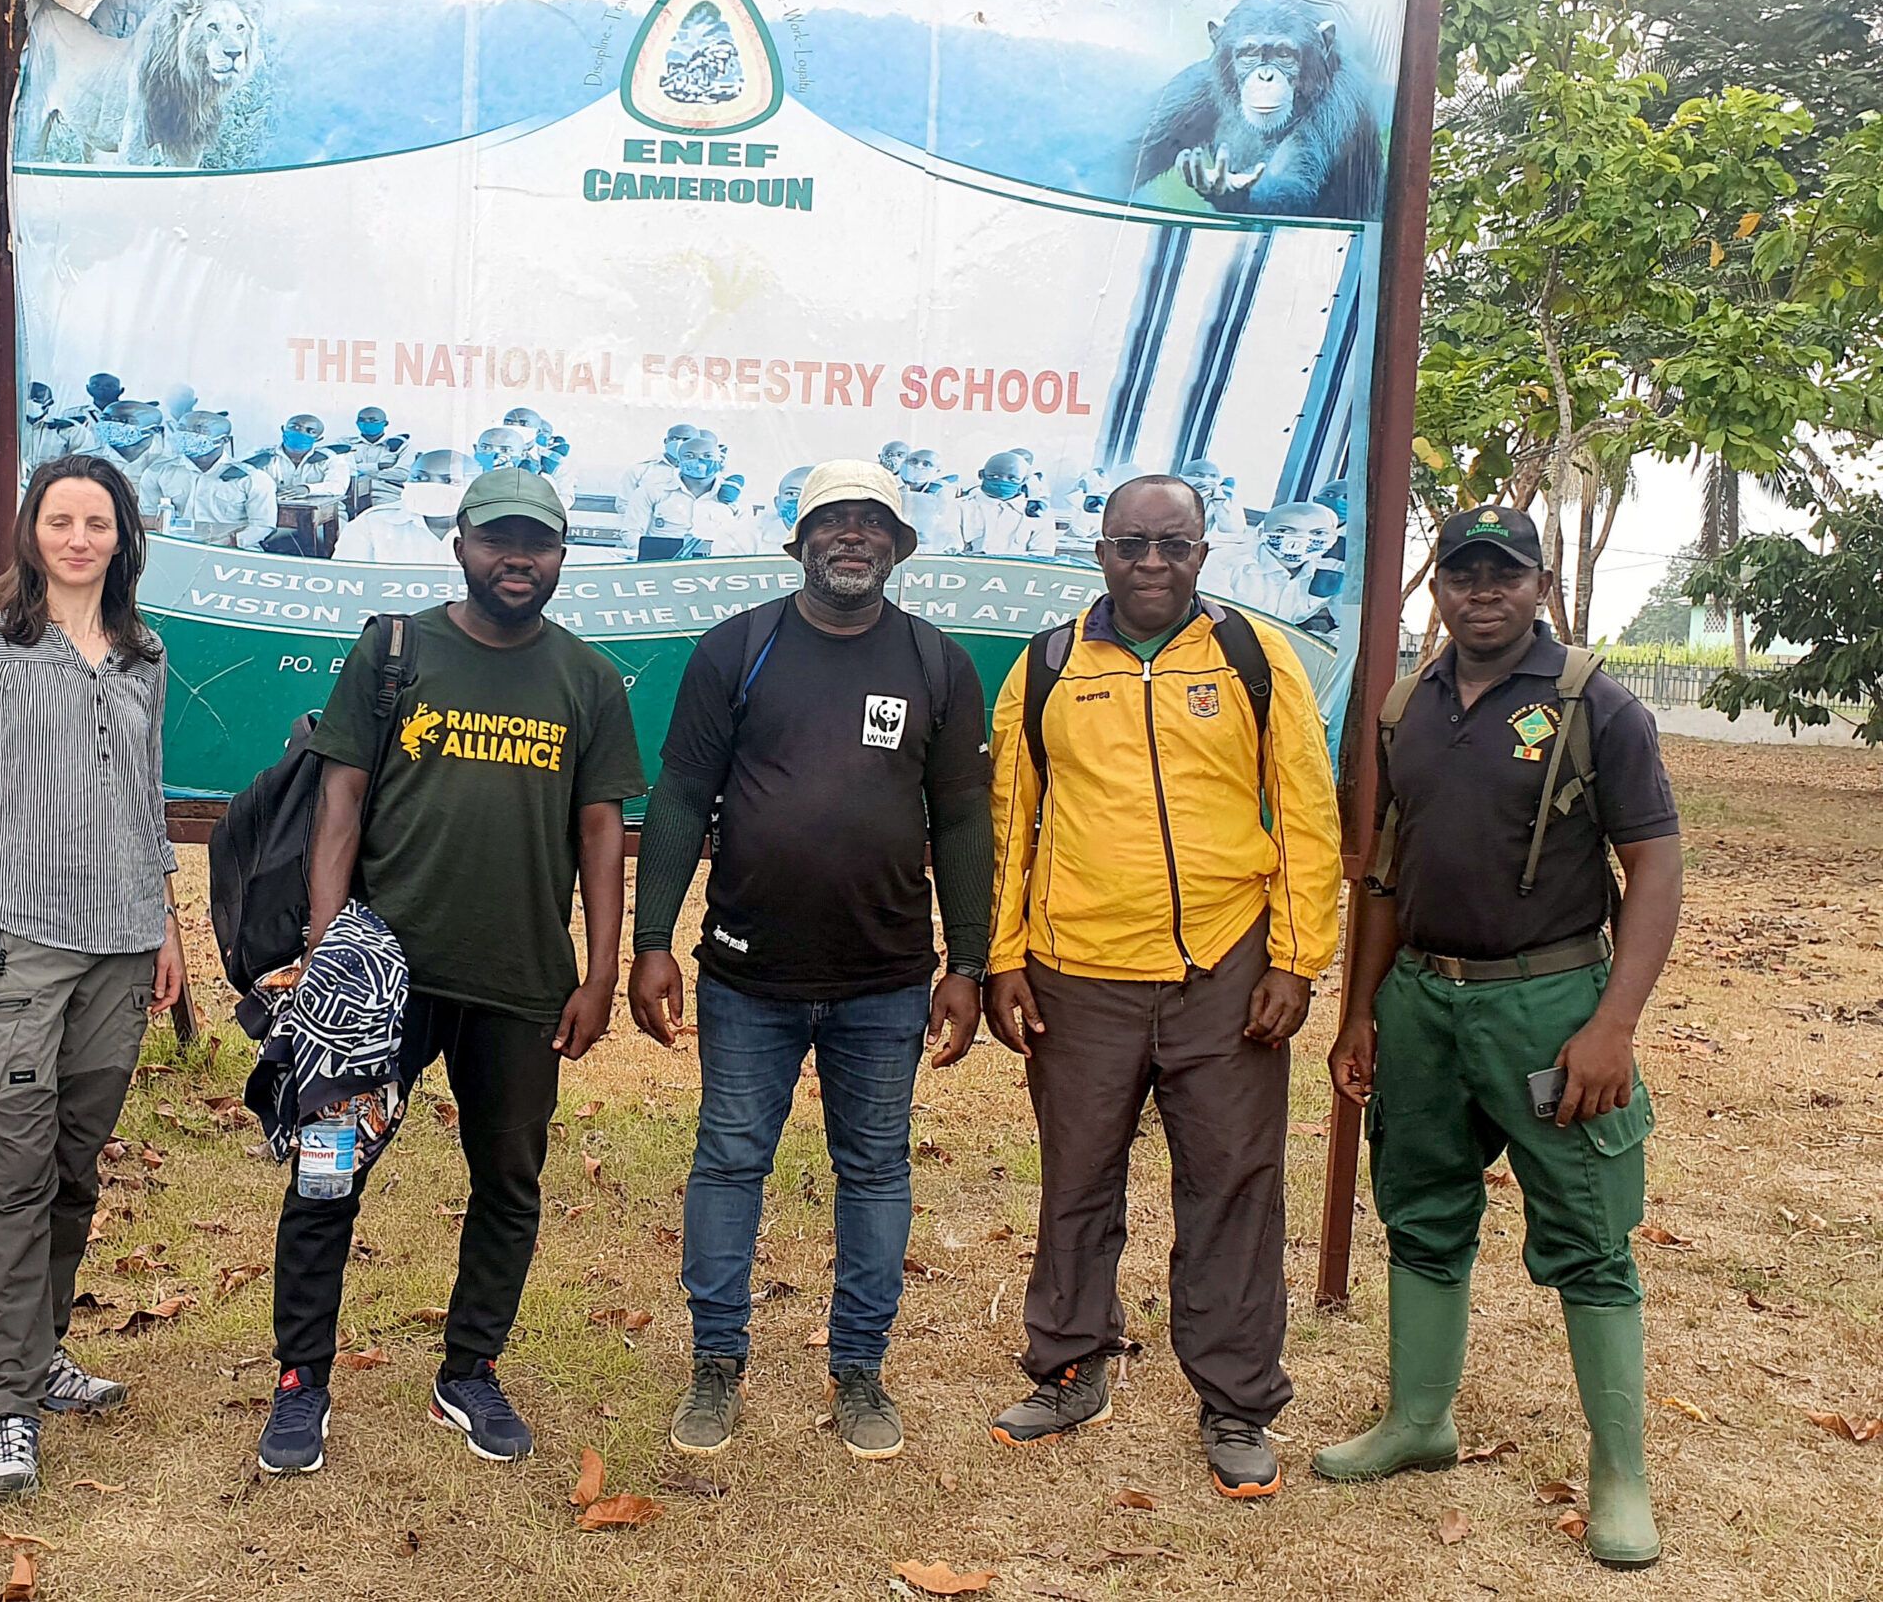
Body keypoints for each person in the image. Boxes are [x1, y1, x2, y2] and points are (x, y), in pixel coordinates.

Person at [255, 468, 645, 1475]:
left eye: (539, 543)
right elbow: (339, 802)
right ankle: (302, 1381)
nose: (518, 558)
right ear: (461, 545)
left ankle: (469, 1367)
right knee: (327, 1173)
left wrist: (599, 971)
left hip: (521, 983)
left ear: (562, 556)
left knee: (508, 1180)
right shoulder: (396, 649)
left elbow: (601, 832)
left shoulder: (589, 681)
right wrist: (326, 947)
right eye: (499, 539)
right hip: (384, 983)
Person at [1315, 506, 1681, 1571]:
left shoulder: (1595, 706)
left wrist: (1613, 1024)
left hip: (1549, 1001)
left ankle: (1620, 1474)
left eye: (1503, 574)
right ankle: (1419, 1421)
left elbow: (1652, 868)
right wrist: (1359, 1010)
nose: (1482, 591)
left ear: (1538, 584)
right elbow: (1383, 869)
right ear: (1439, 588)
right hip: (1425, 1001)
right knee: (1421, 1208)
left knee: (1587, 1237)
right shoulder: (1406, 704)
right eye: (1462, 573)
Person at [980, 473, 1341, 1498]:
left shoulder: (1251, 657)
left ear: (1201, 553)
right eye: (1130, 543)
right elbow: (1010, 826)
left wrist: (1294, 957)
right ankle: (1066, 1368)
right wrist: (1003, 955)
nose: (1150, 563)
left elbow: (1305, 813)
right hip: (1078, 971)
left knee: (1231, 1185)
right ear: (1099, 549)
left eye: (1170, 545)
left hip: (1223, 973)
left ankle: (1235, 1400)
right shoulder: (1046, 665)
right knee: (1075, 1180)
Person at [630, 459, 993, 1462]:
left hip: (883, 978)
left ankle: (860, 1368)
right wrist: (649, 940)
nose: (850, 537)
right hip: (746, 975)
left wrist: (967, 959)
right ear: (799, 538)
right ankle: (714, 1362)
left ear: (896, 544)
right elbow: (678, 797)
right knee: (729, 1160)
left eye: (871, 522)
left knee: (874, 1169)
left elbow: (963, 821)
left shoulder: (936, 664)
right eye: (830, 520)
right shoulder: (736, 649)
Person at [0, 454, 188, 1498]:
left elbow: (148, 796)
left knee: (76, 1167)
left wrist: (165, 925)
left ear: (122, 536)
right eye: (60, 520)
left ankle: (44, 1352)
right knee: (18, 1172)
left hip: (121, 942)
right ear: (33, 531)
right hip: (18, 938)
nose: (78, 538)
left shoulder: (143, 652)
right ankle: (6, 1407)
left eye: (98, 522)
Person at [142, 409, 280, 549]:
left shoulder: (252, 478)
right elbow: (148, 519)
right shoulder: (158, 472)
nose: (188, 435)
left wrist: (229, 544)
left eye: (199, 431)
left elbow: (262, 525)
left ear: (224, 440)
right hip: (173, 548)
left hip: (233, 551)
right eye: (182, 429)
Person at [1201, 501, 1342, 627]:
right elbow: (1212, 620)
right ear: (1262, 532)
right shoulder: (1224, 561)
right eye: (1284, 531)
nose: (1301, 540)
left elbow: (1351, 631)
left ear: (1333, 538)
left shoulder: (1338, 573)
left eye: (1317, 533)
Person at [335, 450, 460, 565]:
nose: (431, 486)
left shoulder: (479, 526)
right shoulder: (370, 523)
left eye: (449, 480)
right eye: (418, 478)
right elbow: (343, 578)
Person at [637, 433, 751, 559]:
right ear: (678, 461)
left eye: (707, 456)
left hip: (716, 566)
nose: (699, 460)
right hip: (661, 564)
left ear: (720, 460)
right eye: (689, 456)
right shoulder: (652, 490)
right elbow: (633, 532)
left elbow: (745, 540)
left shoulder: (737, 497)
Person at [956, 452, 1055, 558]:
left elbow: (1043, 553)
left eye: (1012, 478)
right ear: (981, 474)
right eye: (994, 476)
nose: (1003, 481)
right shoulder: (960, 507)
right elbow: (949, 550)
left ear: (1024, 480)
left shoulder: (1038, 512)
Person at [617, 420, 699, 521]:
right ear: (665, 441)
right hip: (649, 531)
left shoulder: (706, 474)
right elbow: (623, 504)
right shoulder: (640, 470)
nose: (679, 443)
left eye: (686, 440)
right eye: (674, 438)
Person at [22, 382, 96, 468]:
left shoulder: (71, 430)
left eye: (37, 399)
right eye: (28, 398)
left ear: (50, 402)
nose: (31, 402)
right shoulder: (10, 430)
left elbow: (82, 464)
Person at [347, 405, 409, 481]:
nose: (366, 423)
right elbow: (337, 469)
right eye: (361, 420)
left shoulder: (402, 445)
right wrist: (379, 466)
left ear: (385, 423)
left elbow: (403, 474)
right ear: (356, 423)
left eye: (373, 420)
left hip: (388, 491)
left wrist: (360, 472)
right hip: (351, 491)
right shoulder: (345, 444)